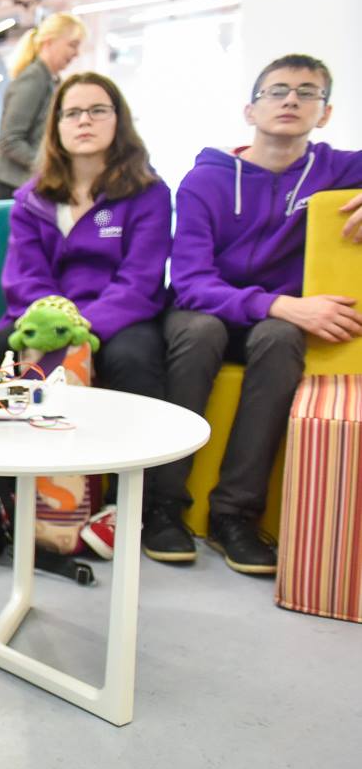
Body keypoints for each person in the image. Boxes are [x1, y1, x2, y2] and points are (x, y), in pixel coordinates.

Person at [147, 54, 362, 573]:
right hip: (204, 310)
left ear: (325, 113)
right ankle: (161, 505)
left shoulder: (336, 169)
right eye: (277, 91)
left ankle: (235, 515)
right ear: (250, 110)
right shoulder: (205, 180)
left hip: (274, 324)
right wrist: (279, 303)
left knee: (281, 338)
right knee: (202, 333)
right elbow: (192, 282)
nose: (291, 100)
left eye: (307, 93)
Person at [0, 71, 182, 551]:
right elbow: (23, 277)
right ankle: (4, 496)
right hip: (40, 316)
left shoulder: (148, 192)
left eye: (97, 110)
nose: (84, 121)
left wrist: (81, 330)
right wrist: (51, 324)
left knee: (133, 361)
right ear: (57, 126)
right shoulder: (31, 198)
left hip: (121, 316)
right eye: (72, 113)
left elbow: (140, 279)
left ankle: (136, 507)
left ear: (118, 120)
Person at [0, 12, 87, 200]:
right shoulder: (33, 79)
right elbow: (11, 140)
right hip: (11, 184)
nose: (76, 53)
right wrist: (48, 166)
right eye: (72, 45)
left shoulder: (53, 81)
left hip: (29, 182)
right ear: (49, 42)